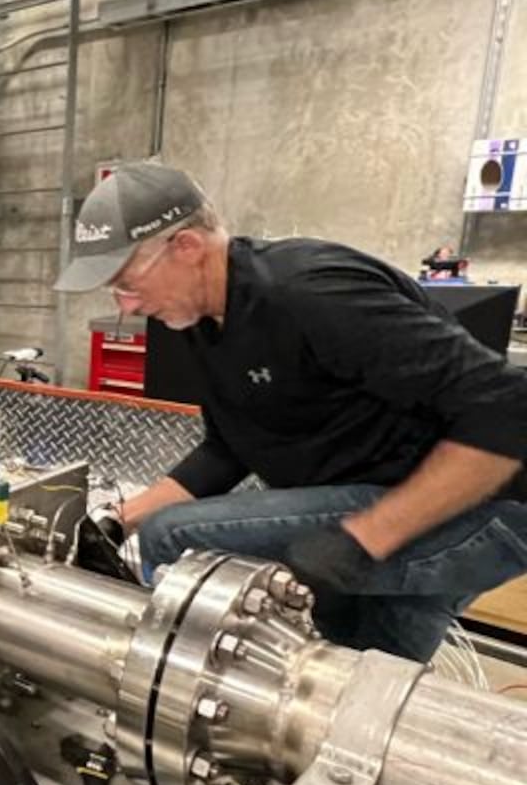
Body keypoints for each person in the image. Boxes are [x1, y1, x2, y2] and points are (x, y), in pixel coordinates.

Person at [57, 160, 527, 662]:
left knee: (173, 535)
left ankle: (163, 680)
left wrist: (365, 537)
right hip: (390, 490)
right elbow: (229, 447)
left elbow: (508, 412)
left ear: (187, 248)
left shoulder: (311, 293)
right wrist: (118, 519)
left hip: (483, 507)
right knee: (364, 671)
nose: (124, 306)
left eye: (126, 283)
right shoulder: (204, 319)